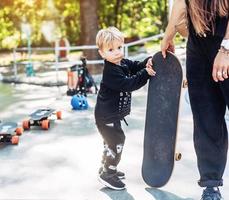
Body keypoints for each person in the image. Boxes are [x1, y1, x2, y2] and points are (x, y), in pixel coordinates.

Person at [161, 0, 229, 199]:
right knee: (206, 118)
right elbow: (182, 2)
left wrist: (225, 50)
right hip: (198, 46)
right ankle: (210, 185)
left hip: (226, 41)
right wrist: (168, 35)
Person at [95, 27, 155, 190]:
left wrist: (147, 62)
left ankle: (106, 166)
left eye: (119, 47)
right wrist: (146, 74)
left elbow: (136, 66)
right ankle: (108, 173)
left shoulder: (121, 62)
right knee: (117, 141)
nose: (117, 52)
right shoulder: (111, 72)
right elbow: (129, 84)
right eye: (111, 49)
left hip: (111, 115)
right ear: (102, 53)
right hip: (106, 117)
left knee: (110, 142)